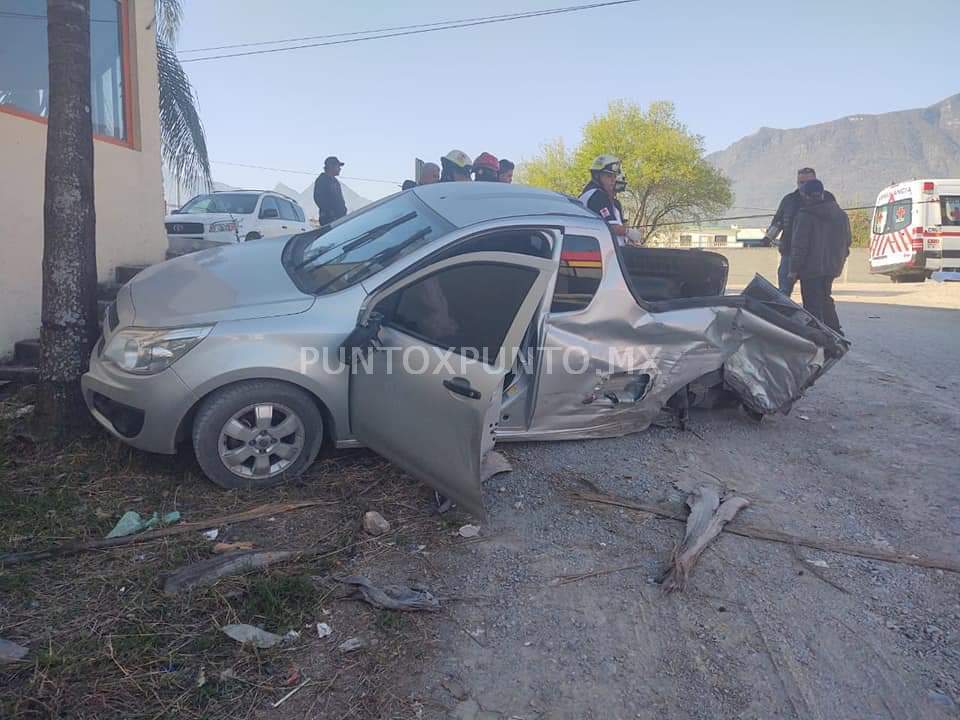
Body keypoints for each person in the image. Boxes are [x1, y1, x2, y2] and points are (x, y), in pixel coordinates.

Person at [789, 179, 851, 334]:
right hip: (832, 267)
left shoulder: (805, 215)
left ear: (806, 196)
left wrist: (793, 270)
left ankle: (817, 337)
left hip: (810, 269)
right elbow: (847, 241)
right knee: (825, 299)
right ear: (822, 194)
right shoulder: (841, 215)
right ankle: (835, 332)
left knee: (812, 305)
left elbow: (800, 246)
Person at [764, 168, 835, 296]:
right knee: (783, 294)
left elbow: (836, 225)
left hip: (816, 257)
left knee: (818, 297)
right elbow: (777, 222)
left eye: (807, 182)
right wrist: (768, 237)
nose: (803, 186)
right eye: (800, 182)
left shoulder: (828, 199)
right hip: (790, 253)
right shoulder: (789, 200)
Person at [579, 155, 627, 243]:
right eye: (609, 176)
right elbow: (611, 227)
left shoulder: (591, 194)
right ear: (597, 176)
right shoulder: (597, 196)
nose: (613, 180)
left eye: (614, 176)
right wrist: (628, 232)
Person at [313, 156, 347, 225]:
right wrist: (330, 212)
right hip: (329, 219)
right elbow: (318, 198)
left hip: (339, 218)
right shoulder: (322, 180)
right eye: (338, 166)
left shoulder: (335, 181)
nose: (340, 169)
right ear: (331, 166)